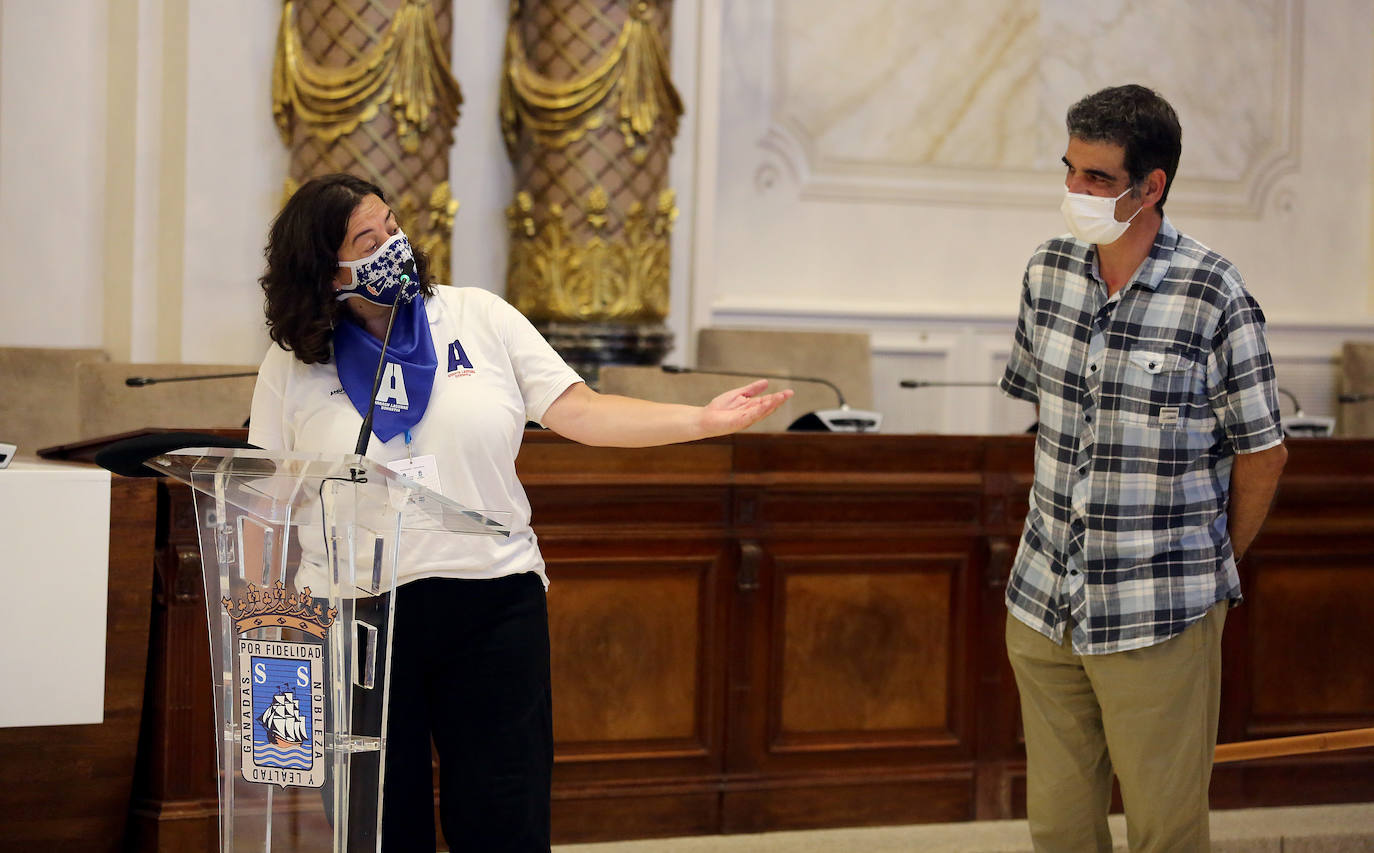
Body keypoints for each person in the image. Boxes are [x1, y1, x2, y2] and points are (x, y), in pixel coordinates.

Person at [248, 173, 792, 852]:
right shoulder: (292, 364)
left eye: (392, 225)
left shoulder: (477, 317)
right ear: (326, 274)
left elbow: (582, 410)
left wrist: (701, 419)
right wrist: (266, 632)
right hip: (354, 616)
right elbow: (260, 503)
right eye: (368, 239)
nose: (394, 244)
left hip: (490, 602)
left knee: (504, 818)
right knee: (378, 829)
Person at [998, 85, 1288, 852]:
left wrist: (1216, 563)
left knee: (1165, 831)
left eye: (1096, 179)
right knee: (1059, 828)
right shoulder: (1046, 272)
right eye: (1069, 171)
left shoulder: (1213, 292)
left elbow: (1263, 452)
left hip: (1162, 613)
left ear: (1150, 186)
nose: (1074, 191)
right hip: (1043, 605)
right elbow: (1043, 413)